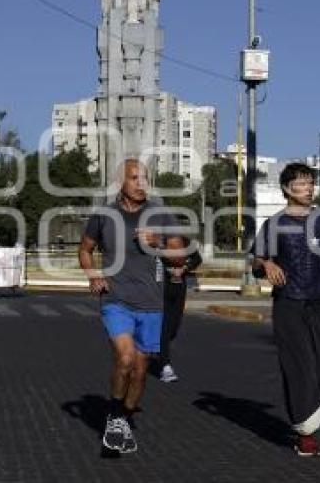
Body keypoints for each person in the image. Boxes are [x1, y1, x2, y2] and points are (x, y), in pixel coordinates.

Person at [78, 158, 184, 454]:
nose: (141, 184)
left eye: (145, 179)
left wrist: (157, 244)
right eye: (135, 178)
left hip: (151, 304)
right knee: (125, 359)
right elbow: (85, 250)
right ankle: (115, 417)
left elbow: (179, 259)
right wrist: (93, 275)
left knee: (139, 371)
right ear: (120, 183)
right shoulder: (104, 215)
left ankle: (122, 417)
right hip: (116, 299)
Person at [251, 162, 320, 457]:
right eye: (301, 183)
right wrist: (267, 263)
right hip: (288, 304)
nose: (309, 188)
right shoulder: (273, 224)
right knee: (298, 365)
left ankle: (310, 401)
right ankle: (306, 432)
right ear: (286, 188)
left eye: (311, 183)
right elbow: (256, 262)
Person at [158, 238, 203, 383]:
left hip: (178, 288)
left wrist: (184, 268)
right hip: (159, 289)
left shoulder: (182, 240)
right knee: (164, 328)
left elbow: (197, 258)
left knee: (173, 328)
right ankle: (165, 366)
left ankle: (159, 348)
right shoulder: (153, 241)